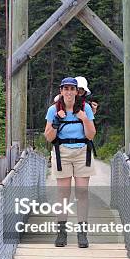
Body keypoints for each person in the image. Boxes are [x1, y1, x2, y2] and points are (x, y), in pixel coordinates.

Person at [44, 77, 96, 248]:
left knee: (82, 193)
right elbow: (49, 137)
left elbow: (90, 135)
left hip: (82, 152)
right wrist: (57, 122)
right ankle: (62, 232)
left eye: (71, 89)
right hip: (62, 153)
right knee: (63, 194)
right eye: (65, 89)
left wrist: (84, 119)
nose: (68, 92)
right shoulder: (53, 110)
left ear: (76, 91)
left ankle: (82, 233)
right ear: (61, 91)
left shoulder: (85, 108)